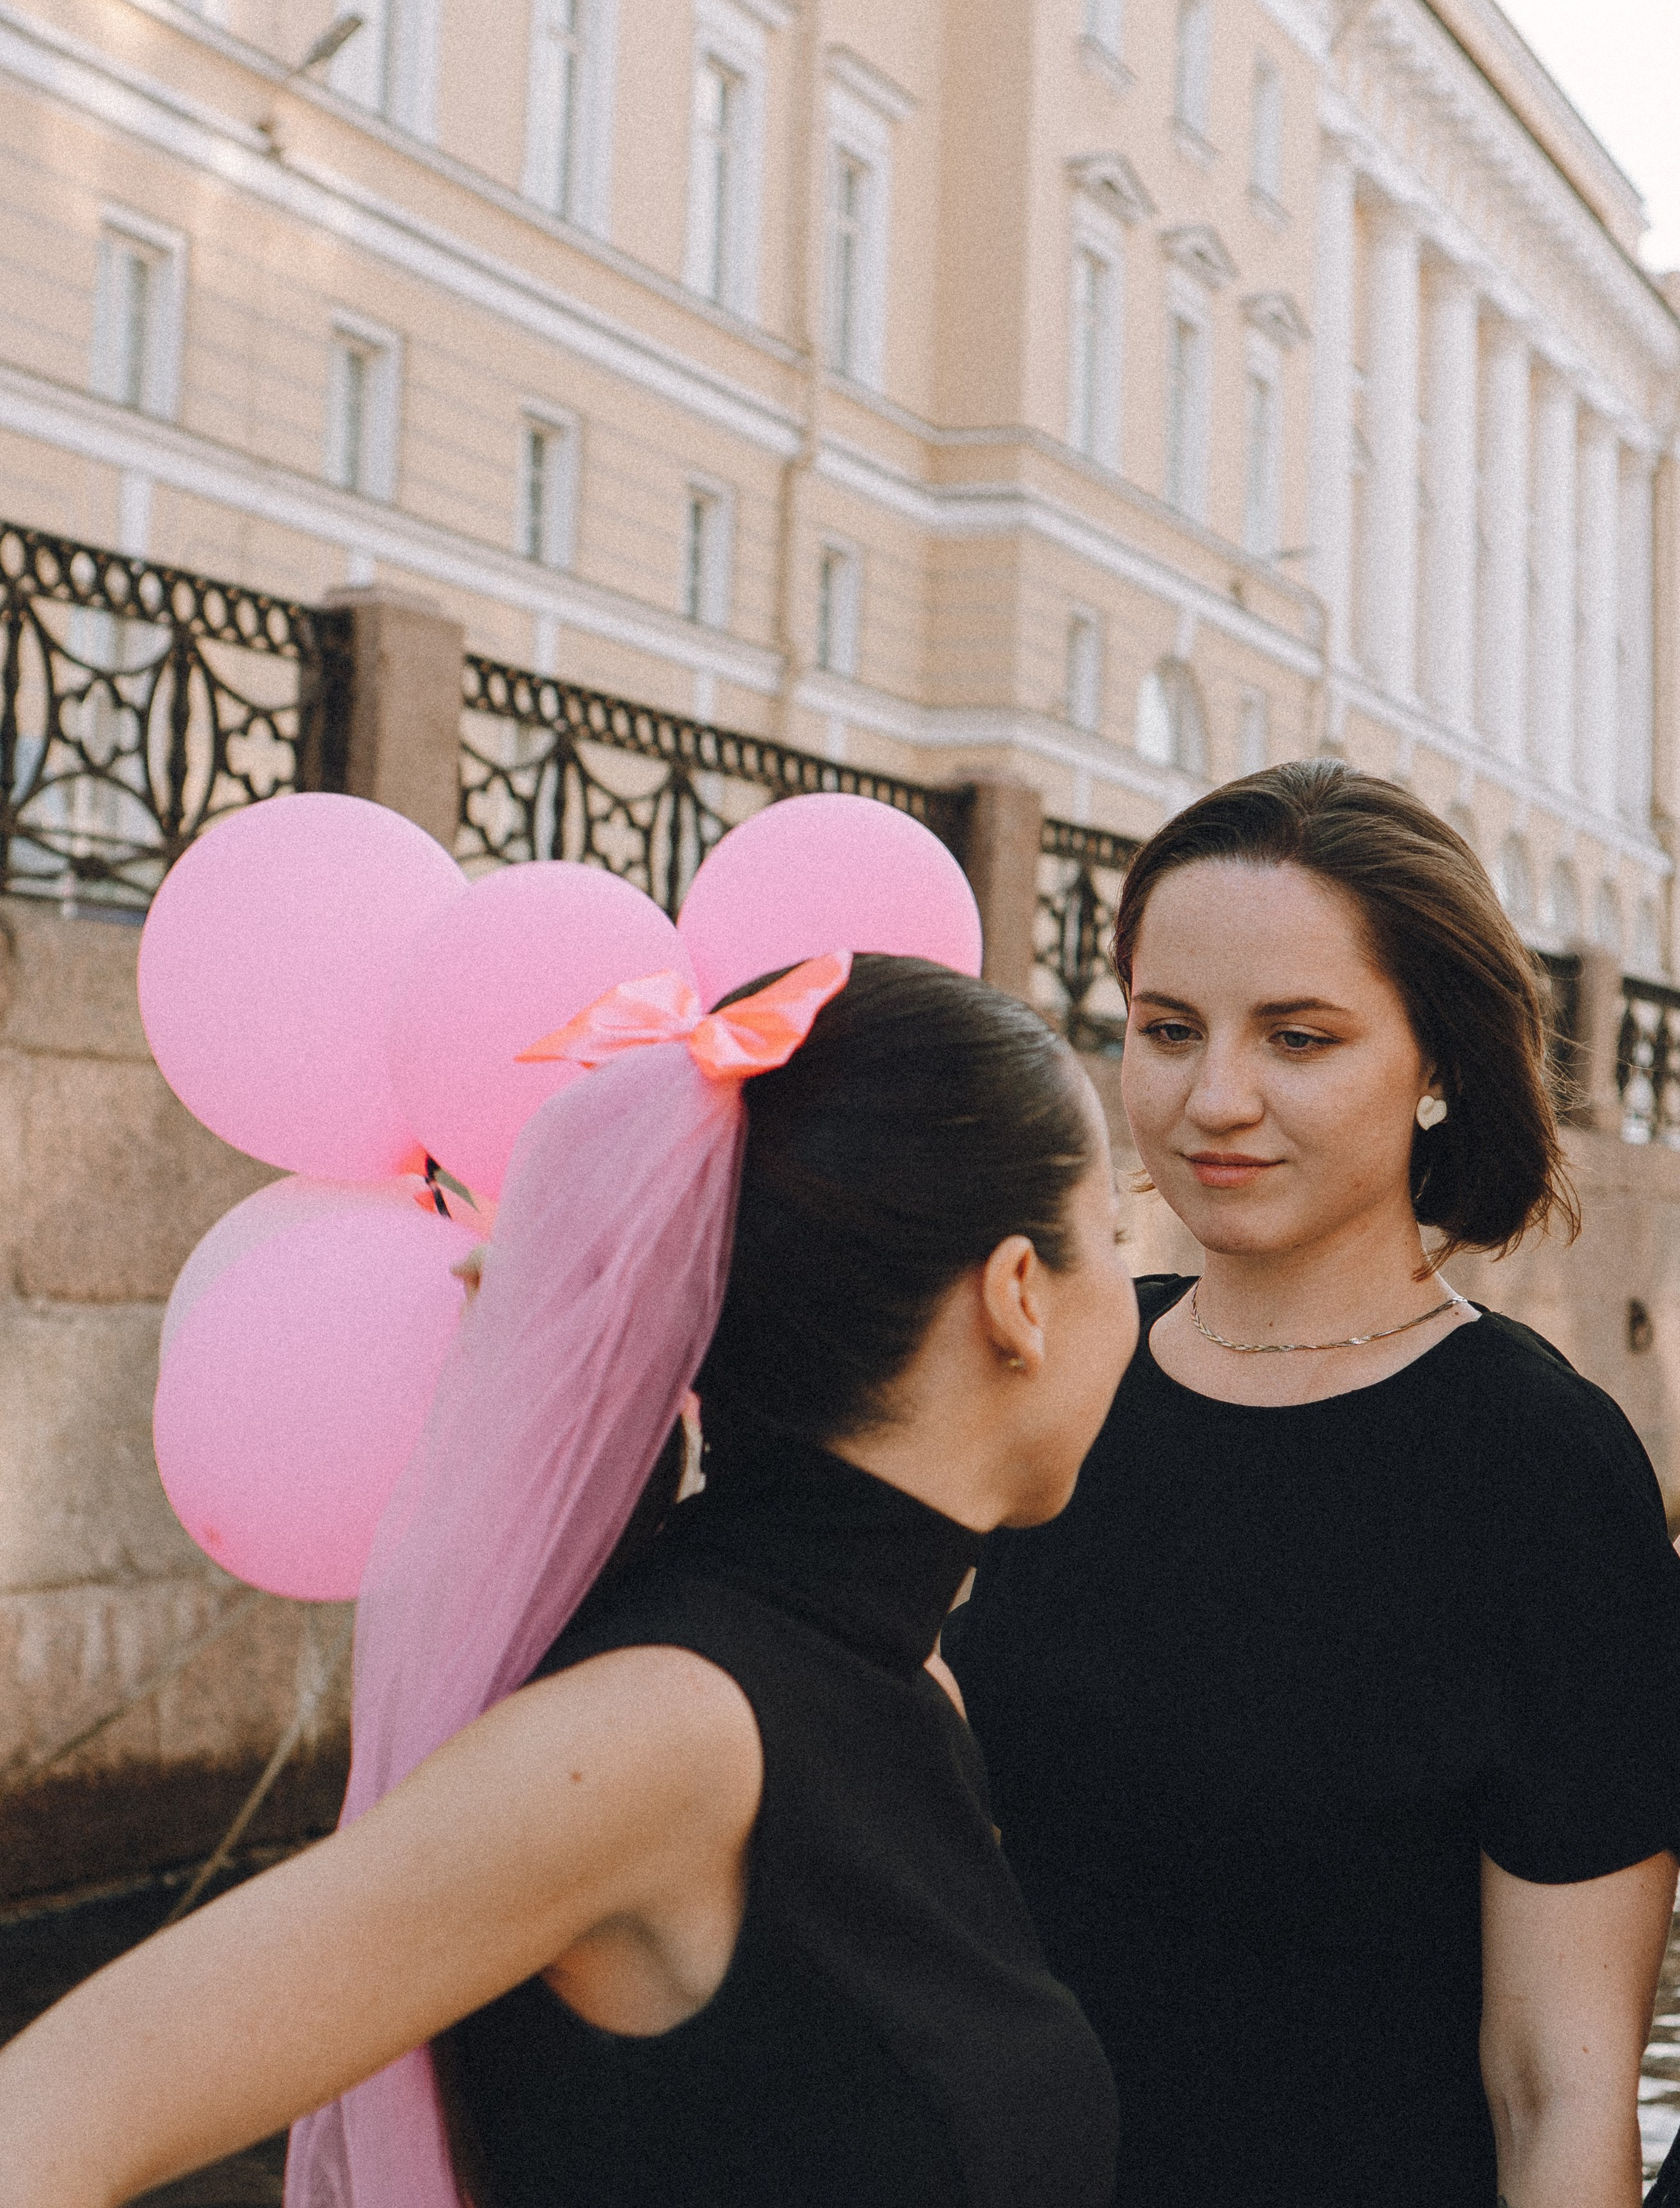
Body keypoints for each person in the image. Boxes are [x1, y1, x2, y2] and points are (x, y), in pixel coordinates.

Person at [0, 950, 1136, 2208]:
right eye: (1116, 1237)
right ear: (1019, 1295)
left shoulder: (901, 1676)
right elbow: (47, 2121)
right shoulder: (669, 1730)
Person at [946, 760, 1680, 2208]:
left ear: (1437, 1067)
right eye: (1166, 1029)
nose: (1213, 1098)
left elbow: (1556, 2082)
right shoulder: (1049, 1381)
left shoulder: (1537, 1473)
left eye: (1297, 1037)